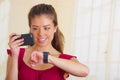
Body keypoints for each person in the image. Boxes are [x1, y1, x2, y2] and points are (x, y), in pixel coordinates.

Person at [6, 3, 89, 80]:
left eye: (46, 28)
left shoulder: (63, 60)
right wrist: (15, 56)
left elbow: (84, 71)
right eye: (35, 28)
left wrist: (47, 58)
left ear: (55, 28)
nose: (41, 34)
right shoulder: (17, 54)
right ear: (30, 28)